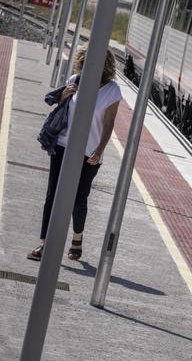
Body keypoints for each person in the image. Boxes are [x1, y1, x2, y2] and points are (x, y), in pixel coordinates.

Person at [28, 47, 122, 262]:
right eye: (87, 61)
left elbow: (108, 124)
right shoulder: (75, 79)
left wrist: (99, 151)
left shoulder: (112, 90)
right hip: (63, 145)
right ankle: (46, 244)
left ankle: (77, 238)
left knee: (79, 199)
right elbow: (63, 109)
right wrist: (63, 96)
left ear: (105, 65)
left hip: (89, 152)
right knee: (53, 195)